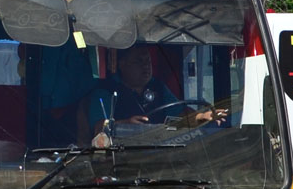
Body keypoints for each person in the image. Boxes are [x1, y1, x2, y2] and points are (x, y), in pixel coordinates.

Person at [88, 44, 223, 134]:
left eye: (148, 61)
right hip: (122, 157)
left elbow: (181, 114)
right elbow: (98, 127)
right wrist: (125, 126)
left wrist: (202, 116)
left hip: (161, 153)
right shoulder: (105, 92)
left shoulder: (158, 87)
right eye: (139, 61)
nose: (146, 66)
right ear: (122, 65)